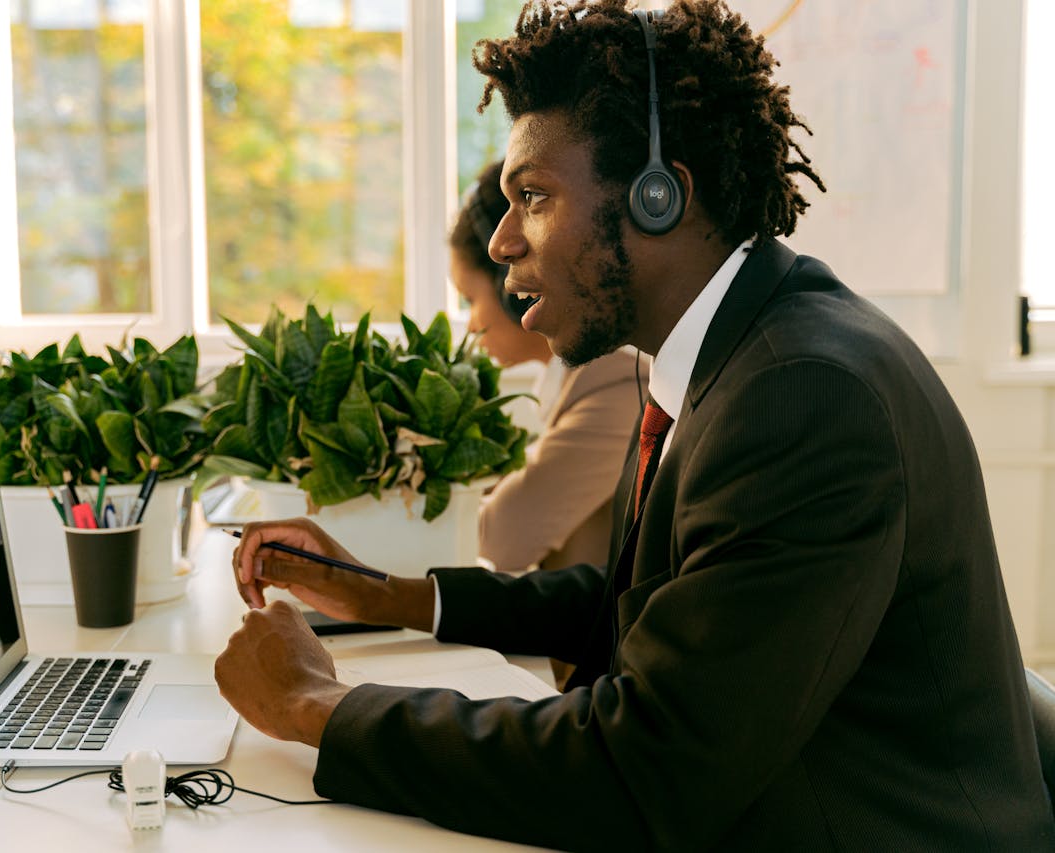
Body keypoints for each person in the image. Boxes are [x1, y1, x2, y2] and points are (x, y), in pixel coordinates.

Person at [215, 2, 1055, 849]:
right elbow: (639, 604)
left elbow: (643, 771)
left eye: (533, 196)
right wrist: (383, 595)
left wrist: (316, 706)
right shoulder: (724, 352)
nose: (502, 239)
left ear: (660, 198)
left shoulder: (803, 395)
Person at [451, 158, 641, 580]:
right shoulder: (577, 379)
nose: (471, 324)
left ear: (510, 285)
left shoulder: (617, 381)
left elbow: (498, 541)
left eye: (469, 299)